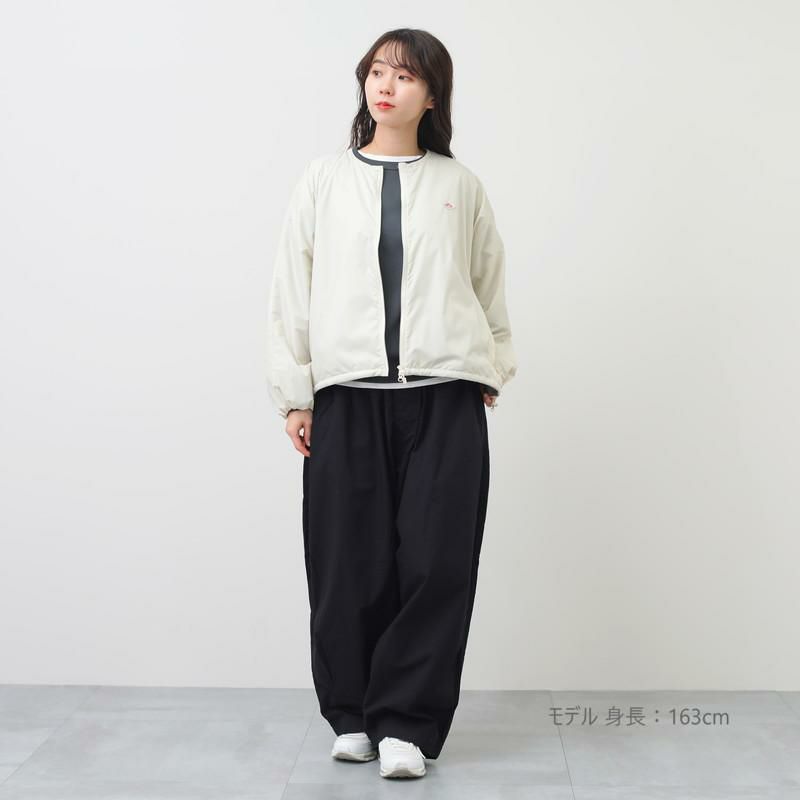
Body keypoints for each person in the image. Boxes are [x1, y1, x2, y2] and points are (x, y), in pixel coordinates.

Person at [265, 28, 518, 779]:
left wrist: (490, 366)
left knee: (438, 563)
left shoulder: (459, 185)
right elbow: (291, 290)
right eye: (378, 72)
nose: (387, 86)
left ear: (432, 95)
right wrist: (295, 392)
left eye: (405, 76)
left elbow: (488, 284)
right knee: (347, 561)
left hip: (444, 397)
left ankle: (406, 722)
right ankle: (352, 713)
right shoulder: (323, 180)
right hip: (346, 397)